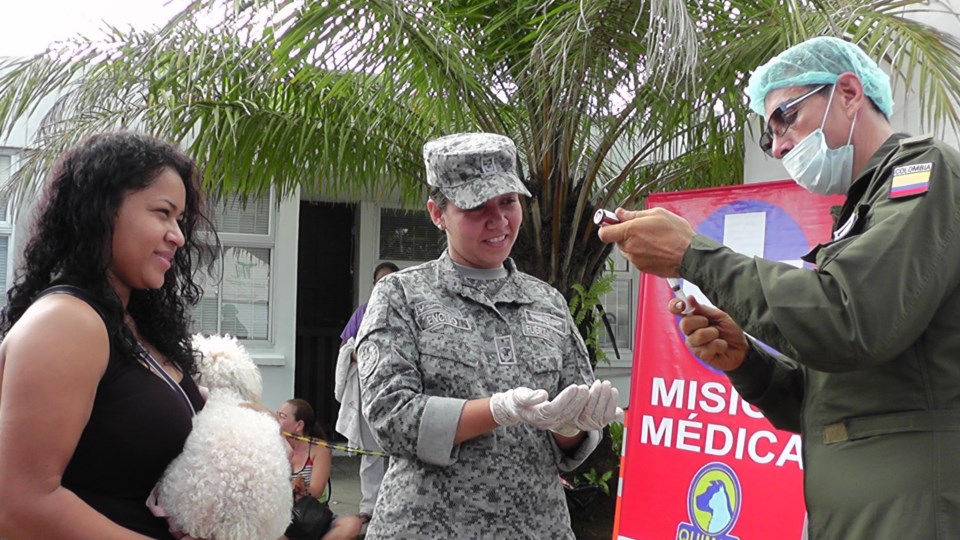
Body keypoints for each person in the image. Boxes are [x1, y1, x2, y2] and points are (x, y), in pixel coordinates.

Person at [597, 36, 960, 539]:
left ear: (850, 93)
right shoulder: (861, 211)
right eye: (769, 135)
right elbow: (833, 403)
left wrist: (694, 254)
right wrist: (748, 361)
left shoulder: (922, 173)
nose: (779, 145)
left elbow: (847, 322)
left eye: (784, 117)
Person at [355, 132, 622, 538]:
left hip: (536, 526)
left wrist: (571, 426)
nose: (497, 220)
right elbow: (392, 418)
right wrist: (497, 410)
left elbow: (572, 436)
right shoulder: (401, 295)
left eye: (507, 202)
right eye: (476, 206)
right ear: (437, 212)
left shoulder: (547, 302)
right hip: (428, 527)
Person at [0, 131, 217, 539]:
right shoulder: (66, 322)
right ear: (102, 210)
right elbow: (20, 507)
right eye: (162, 212)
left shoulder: (125, 322)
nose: (178, 235)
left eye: (180, 219)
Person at [335, 261, 398, 524]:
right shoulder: (362, 314)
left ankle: (394, 504)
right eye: (380, 282)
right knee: (370, 453)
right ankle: (369, 507)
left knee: (398, 451)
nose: (385, 287)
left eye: (390, 281)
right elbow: (345, 347)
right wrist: (357, 354)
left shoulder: (408, 313)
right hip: (366, 390)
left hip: (398, 391)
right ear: (373, 285)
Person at [278, 399, 362, 540]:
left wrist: (294, 487)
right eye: (277, 414)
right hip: (283, 516)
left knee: (352, 524)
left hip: (312, 516)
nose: (277, 420)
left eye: (282, 416)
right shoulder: (274, 446)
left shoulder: (319, 448)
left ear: (299, 425)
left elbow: (316, 491)